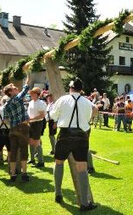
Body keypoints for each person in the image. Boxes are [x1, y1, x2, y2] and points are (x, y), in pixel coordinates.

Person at [50, 77, 98, 211]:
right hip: (81, 137)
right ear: (81, 89)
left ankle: (58, 193)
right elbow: (90, 116)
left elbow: (53, 115)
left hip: (65, 135)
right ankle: (84, 202)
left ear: (70, 88)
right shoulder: (87, 102)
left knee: (58, 163)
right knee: (82, 167)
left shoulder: (63, 99)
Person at [3, 74, 31, 182]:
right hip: (22, 128)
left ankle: (13, 175)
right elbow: (26, 86)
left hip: (13, 129)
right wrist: (28, 74)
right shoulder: (17, 99)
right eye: (13, 88)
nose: (16, 88)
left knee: (13, 152)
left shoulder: (6, 105)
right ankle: (24, 174)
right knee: (24, 151)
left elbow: (5, 120)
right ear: (10, 92)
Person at [28, 87, 46, 167]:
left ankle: (41, 161)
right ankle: (32, 159)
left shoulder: (40, 103)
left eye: (32, 93)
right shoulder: (31, 102)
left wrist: (32, 118)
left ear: (36, 94)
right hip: (31, 123)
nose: (30, 94)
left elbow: (42, 115)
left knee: (36, 142)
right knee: (30, 141)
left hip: (37, 123)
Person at [0, 96, 10, 168]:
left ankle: (1, 160)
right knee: (9, 148)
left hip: (0, 129)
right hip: (8, 130)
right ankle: (9, 161)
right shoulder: (10, 110)